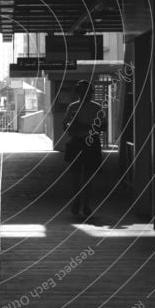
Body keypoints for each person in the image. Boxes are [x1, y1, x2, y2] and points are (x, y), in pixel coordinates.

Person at [63, 80, 103, 218]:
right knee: (76, 174)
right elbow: (65, 126)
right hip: (79, 141)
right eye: (81, 91)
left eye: (86, 91)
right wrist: (74, 125)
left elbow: (102, 126)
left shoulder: (96, 108)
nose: (84, 94)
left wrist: (82, 126)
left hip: (87, 141)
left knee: (87, 175)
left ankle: (84, 204)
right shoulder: (72, 107)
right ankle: (79, 201)